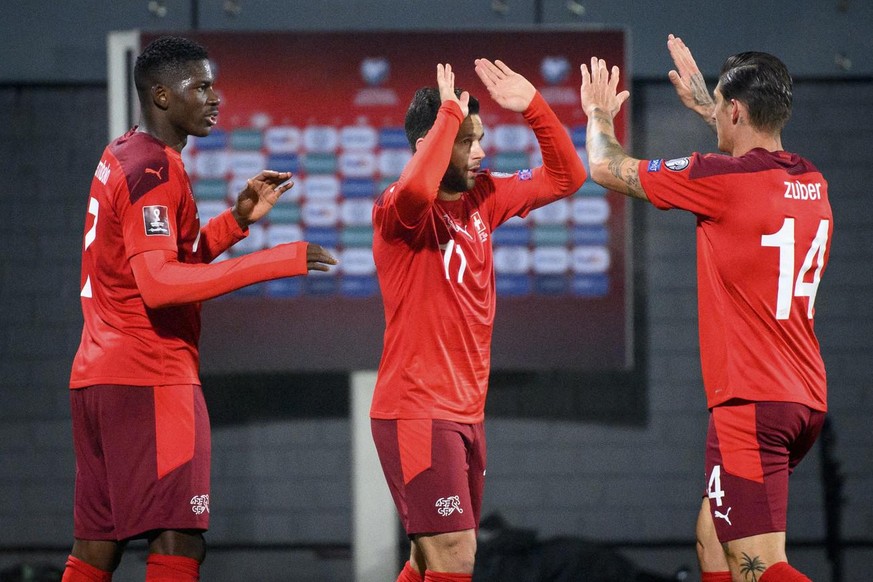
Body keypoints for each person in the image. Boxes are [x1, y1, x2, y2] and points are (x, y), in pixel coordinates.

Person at [64, 36, 337, 582]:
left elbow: (152, 261)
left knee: (97, 548)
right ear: (162, 96)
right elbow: (161, 286)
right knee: (179, 540)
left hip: (96, 379)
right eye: (202, 87)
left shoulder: (123, 152)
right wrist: (277, 260)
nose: (216, 98)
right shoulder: (155, 171)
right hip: (151, 378)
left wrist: (235, 223)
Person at [579, 37, 832, 582]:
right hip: (800, 399)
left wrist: (598, 113)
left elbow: (605, 166)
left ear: (735, 110)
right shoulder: (812, 180)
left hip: (751, 404)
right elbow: (750, 173)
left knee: (757, 566)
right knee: (712, 544)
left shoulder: (719, 179)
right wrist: (713, 112)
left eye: (721, 104)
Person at [370, 59, 587, 582]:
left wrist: (535, 106)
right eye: (469, 141)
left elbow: (568, 177)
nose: (482, 152)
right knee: (456, 557)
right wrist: (447, 118)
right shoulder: (396, 212)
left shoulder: (484, 198)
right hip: (418, 410)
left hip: (466, 413)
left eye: (480, 138)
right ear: (433, 143)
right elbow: (417, 191)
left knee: (430, 562)